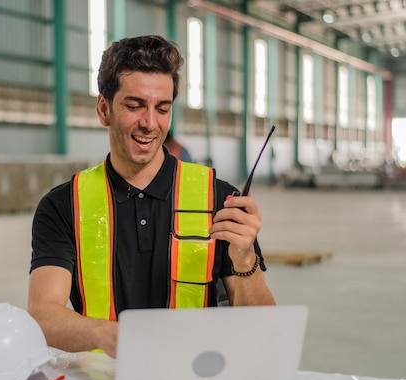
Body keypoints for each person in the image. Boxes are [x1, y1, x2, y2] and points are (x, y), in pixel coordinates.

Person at [28, 35, 275, 359]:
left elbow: (264, 329)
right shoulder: (63, 205)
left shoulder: (219, 199)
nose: (149, 123)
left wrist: (245, 258)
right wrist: (110, 335)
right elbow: (42, 314)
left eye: (162, 108)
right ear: (104, 109)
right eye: (134, 106)